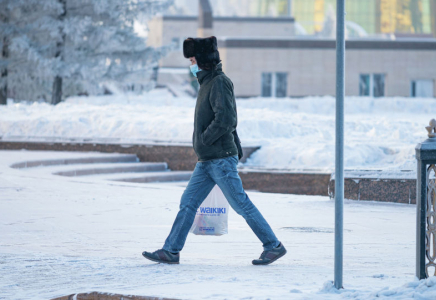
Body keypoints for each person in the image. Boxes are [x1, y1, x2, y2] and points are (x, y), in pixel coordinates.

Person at [142, 36, 286, 265]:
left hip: (220, 159)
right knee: (187, 203)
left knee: (241, 204)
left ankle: (273, 245)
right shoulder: (206, 82)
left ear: (202, 60)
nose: (191, 64)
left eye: (192, 59)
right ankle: (171, 250)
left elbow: (227, 119)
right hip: (207, 161)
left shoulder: (219, 81)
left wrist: (205, 138)